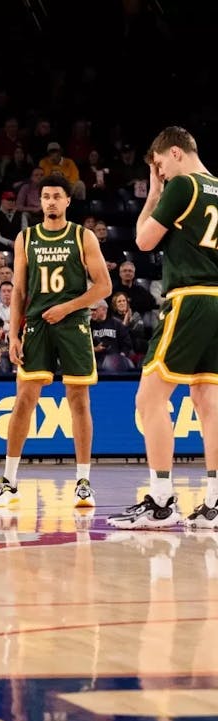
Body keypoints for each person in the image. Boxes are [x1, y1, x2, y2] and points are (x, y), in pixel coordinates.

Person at [108, 126, 218, 530]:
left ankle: (160, 500)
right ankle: (214, 503)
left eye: (158, 166)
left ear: (175, 153)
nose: (160, 173)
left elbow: (143, 240)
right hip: (217, 299)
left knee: (149, 397)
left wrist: (154, 193)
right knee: (209, 402)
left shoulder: (183, 185)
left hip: (189, 298)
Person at [0, 174, 111, 509]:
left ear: (68, 201)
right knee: (24, 400)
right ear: (39, 202)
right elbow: (20, 293)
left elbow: (103, 288)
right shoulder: (26, 239)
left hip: (73, 326)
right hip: (38, 327)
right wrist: (13, 334)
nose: (51, 201)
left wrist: (67, 308)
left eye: (57, 196)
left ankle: (83, 482)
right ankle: (9, 481)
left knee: (79, 402)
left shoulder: (83, 237)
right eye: (46, 197)